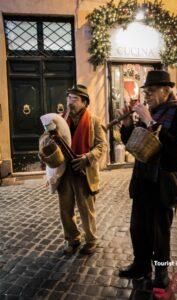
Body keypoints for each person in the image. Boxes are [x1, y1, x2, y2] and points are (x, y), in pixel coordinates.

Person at [118, 70, 177, 290]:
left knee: (160, 232)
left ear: (166, 90)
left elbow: (174, 151)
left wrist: (149, 121)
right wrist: (126, 125)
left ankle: (161, 273)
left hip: (163, 182)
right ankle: (141, 265)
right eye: (147, 91)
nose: (148, 96)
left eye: (152, 91)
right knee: (138, 228)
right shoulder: (153, 112)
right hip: (143, 180)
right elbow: (135, 144)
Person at [57, 84, 107, 255]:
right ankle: (72, 239)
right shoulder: (60, 120)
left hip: (84, 172)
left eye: (74, 99)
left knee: (86, 210)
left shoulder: (94, 120)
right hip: (65, 172)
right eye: (68, 98)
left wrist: (87, 158)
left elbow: (102, 146)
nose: (70, 102)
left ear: (84, 102)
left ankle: (91, 240)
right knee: (65, 210)